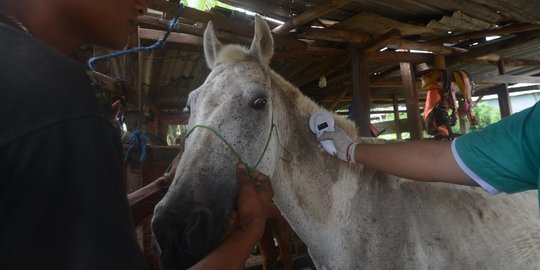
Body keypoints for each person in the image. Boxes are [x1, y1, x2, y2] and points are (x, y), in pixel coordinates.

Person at [0, 0, 273, 269]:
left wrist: (163, 183)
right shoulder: (60, 95)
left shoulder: (19, 71)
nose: (142, 6)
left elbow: (67, 223)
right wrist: (248, 230)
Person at [320, 101, 539, 200]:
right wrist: (350, 150)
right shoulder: (533, 127)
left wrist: (350, 150)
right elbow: (438, 159)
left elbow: (438, 159)